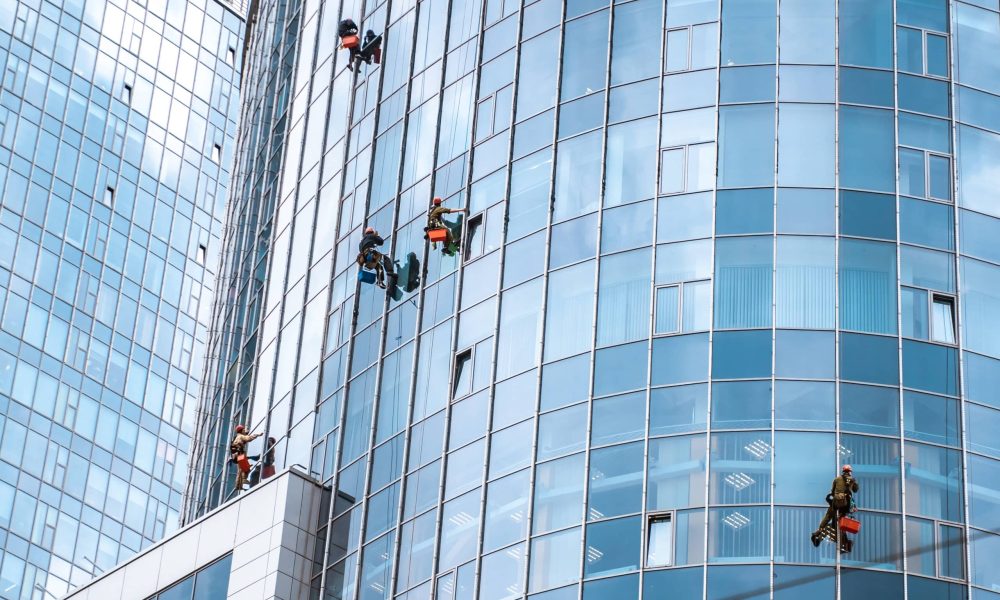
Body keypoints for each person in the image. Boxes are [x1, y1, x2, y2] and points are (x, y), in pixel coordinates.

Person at [811, 464, 860, 551]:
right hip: (845, 507)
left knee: (828, 517)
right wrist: (854, 482)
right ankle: (844, 544)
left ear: (843, 471)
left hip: (836, 504)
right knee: (839, 524)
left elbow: (833, 492)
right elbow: (855, 490)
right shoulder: (852, 480)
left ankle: (818, 532)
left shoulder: (837, 479)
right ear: (850, 472)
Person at [230, 425, 262, 492]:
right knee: (246, 468)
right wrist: (257, 435)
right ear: (241, 431)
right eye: (244, 430)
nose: (245, 431)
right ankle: (243, 479)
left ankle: (238, 486)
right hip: (240, 455)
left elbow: (244, 437)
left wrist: (246, 432)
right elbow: (248, 438)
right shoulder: (241, 436)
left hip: (236, 456)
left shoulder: (237, 437)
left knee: (240, 470)